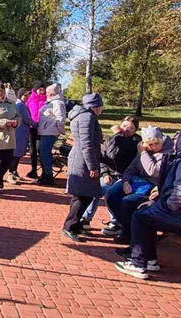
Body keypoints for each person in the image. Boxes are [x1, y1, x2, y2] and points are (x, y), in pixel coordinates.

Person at [115, 126, 181, 279]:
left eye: (178, 137)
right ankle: (150, 260)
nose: (174, 141)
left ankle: (138, 264)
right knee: (144, 212)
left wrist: (162, 206)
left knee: (141, 217)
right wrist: (157, 202)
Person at [103, 126, 173, 241]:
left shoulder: (168, 152)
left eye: (156, 143)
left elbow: (154, 171)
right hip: (137, 182)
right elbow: (132, 167)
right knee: (111, 195)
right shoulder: (145, 150)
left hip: (155, 188)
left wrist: (143, 153)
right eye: (150, 145)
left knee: (128, 201)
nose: (153, 147)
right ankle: (126, 227)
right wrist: (125, 181)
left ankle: (129, 234)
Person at [82, 116, 141, 230]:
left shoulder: (137, 142)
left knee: (111, 193)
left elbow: (125, 150)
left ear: (135, 130)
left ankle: (115, 222)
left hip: (125, 177)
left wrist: (118, 134)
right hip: (110, 174)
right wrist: (105, 174)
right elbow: (103, 157)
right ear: (120, 125)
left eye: (131, 128)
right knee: (94, 189)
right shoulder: (112, 139)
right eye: (124, 126)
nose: (127, 129)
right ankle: (85, 218)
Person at [61, 93, 104, 242]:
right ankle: (69, 226)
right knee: (84, 195)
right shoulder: (88, 117)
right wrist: (92, 166)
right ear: (96, 106)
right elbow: (87, 145)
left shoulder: (83, 115)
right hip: (83, 161)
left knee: (81, 194)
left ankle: (75, 225)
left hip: (80, 159)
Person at [36, 84, 66, 186]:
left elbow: (61, 119)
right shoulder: (51, 102)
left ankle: (48, 175)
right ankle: (46, 174)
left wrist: (57, 129)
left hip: (50, 132)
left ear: (52, 93)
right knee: (44, 153)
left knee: (44, 153)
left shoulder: (57, 103)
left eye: (48, 92)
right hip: (45, 131)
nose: (46, 94)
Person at [9, 88, 37, 183]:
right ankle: (11, 174)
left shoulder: (21, 104)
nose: (27, 97)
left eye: (28, 96)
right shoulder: (20, 105)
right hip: (20, 133)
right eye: (25, 96)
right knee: (16, 154)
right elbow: (27, 119)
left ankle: (14, 172)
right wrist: (37, 124)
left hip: (21, 132)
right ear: (20, 95)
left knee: (17, 154)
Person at [25, 81, 46, 178]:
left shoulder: (46, 100)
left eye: (43, 89)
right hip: (32, 127)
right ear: (35, 90)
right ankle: (33, 170)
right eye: (40, 89)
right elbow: (26, 111)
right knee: (32, 150)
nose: (42, 91)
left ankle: (44, 171)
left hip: (42, 129)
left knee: (40, 150)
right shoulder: (30, 99)